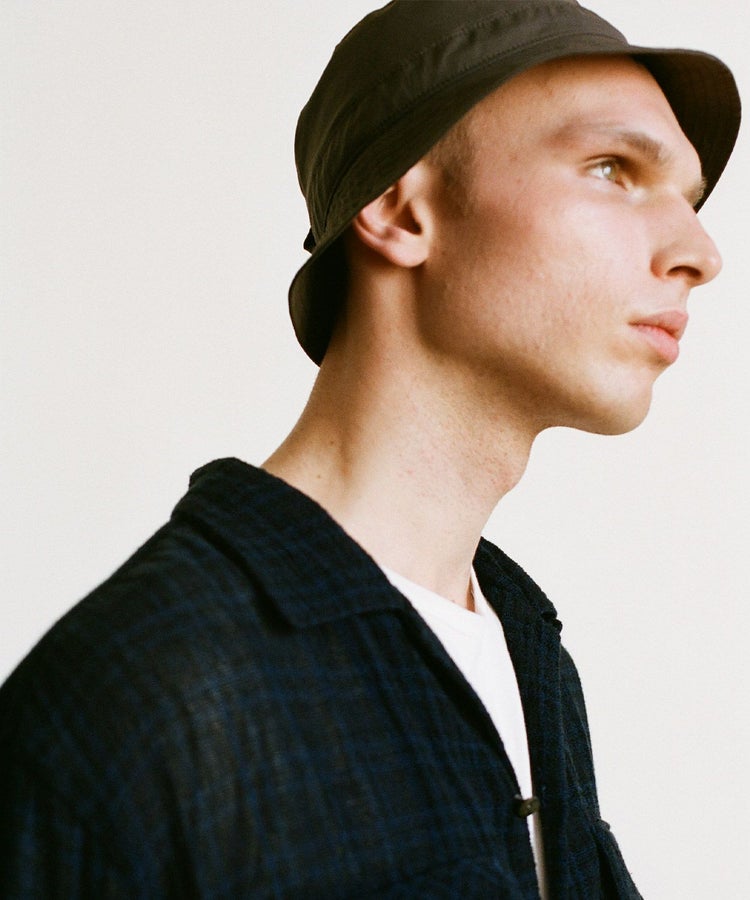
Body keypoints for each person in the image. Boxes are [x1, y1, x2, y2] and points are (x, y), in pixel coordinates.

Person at [0, 1, 740, 897]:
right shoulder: (135, 702)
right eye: (613, 169)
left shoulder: (524, 651)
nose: (700, 252)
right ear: (399, 209)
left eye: (690, 199)